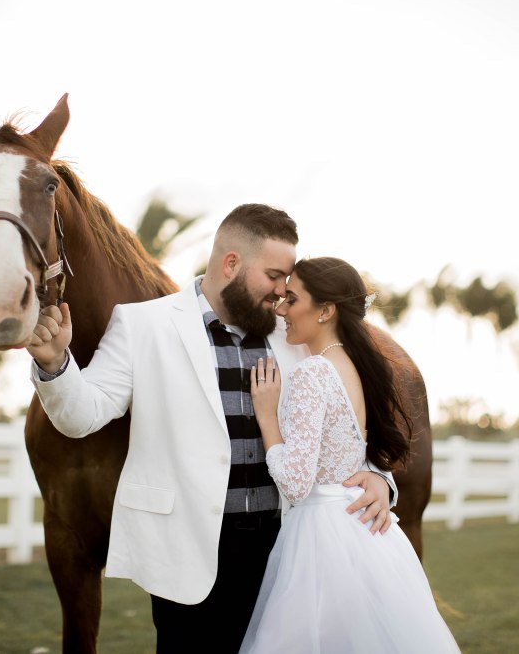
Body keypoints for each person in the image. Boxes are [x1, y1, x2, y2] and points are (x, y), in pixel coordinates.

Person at [26, 205, 399, 653]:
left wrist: (378, 477)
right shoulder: (144, 324)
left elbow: (344, 413)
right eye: (274, 275)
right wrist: (55, 364)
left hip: (285, 552)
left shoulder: (294, 332)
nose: (283, 291)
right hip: (185, 554)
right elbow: (81, 415)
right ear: (232, 263)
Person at [240, 257, 461, 654]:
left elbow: (295, 482)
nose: (282, 310)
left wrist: (267, 417)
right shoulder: (357, 368)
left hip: (320, 535)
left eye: (292, 299)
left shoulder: (312, 373)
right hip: (361, 530)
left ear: (326, 310)